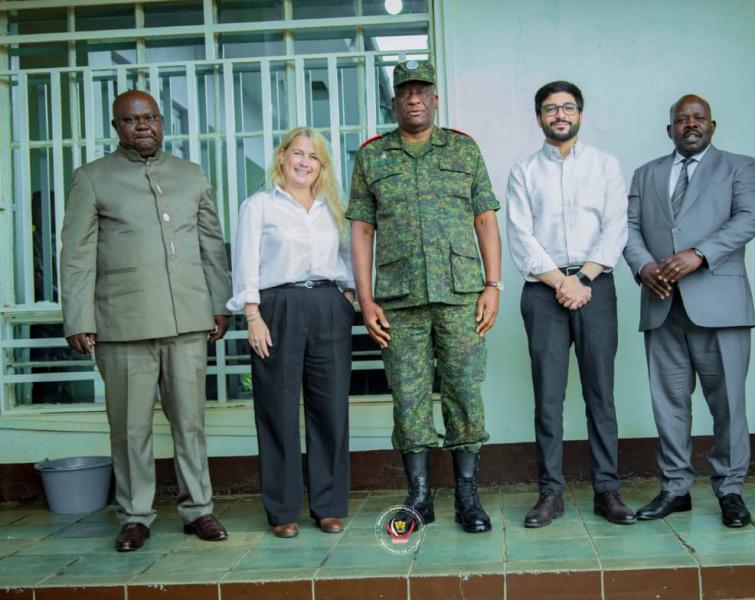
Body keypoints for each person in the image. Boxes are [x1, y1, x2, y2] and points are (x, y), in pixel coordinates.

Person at [60, 90, 232, 551]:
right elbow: (76, 255)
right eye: (131, 120)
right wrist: (78, 316)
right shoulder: (92, 178)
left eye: (150, 117)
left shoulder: (190, 175)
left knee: (190, 423)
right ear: (116, 127)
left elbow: (212, 245)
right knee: (130, 427)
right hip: (122, 323)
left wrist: (219, 303)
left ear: (161, 121)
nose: (143, 126)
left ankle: (199, 510)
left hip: (188, 320)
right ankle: (135, 515)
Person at [347, 60, 502, 534]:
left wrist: (493, 286)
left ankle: (467, 496)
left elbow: (485, 220)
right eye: (405, 92)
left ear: (435, 99)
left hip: (460, 296)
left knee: (464, 392)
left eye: (422, 91)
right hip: (399, 299)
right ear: (393, 102)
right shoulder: (373, 156)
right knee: (409, 396)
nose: (413, 99)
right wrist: (366, 299)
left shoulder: (464, 149)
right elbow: (361, 229)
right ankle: (418, 497)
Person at [623, 94, 755, 527]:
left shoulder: (739, 166)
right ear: (670, 130)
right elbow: (627, 227)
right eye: (681, 119)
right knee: (668, 403)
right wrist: (644, 265)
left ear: (713, 125)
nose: (690, 124)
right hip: (663, 305)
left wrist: (699, 254)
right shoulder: (647, 174)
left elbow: (749, 218)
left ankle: (730, 490)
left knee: (728, 404)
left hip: (721, 306)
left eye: (698, 118)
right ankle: (675, 488)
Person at [506, 81, 635, 528]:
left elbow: (617, 227)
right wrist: (562, 281)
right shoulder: (523, 172)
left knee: (601, 393)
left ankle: (607, 490)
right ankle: (550, 493)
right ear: (539, 116)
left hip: (595, 285)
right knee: (548, 397)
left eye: (567, 107)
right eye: (550, 109)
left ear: (580, 112)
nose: (559, 115)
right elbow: (520, 238)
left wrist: (582, 279)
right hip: (543, 291)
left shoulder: (605, 165)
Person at [228, 128, 355, 539]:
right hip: (276, 307)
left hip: (327, 304)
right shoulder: (259, 206)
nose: (304, 162)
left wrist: (349, 295)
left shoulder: (333, 207)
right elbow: (245, 263)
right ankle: (283, 510)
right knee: (277, 409)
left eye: (313, 157)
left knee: (331, 408)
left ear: (322, 166)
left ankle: (329, 506)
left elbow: (348, 257)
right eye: (297, 153)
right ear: (281, 157)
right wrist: (252, 315)